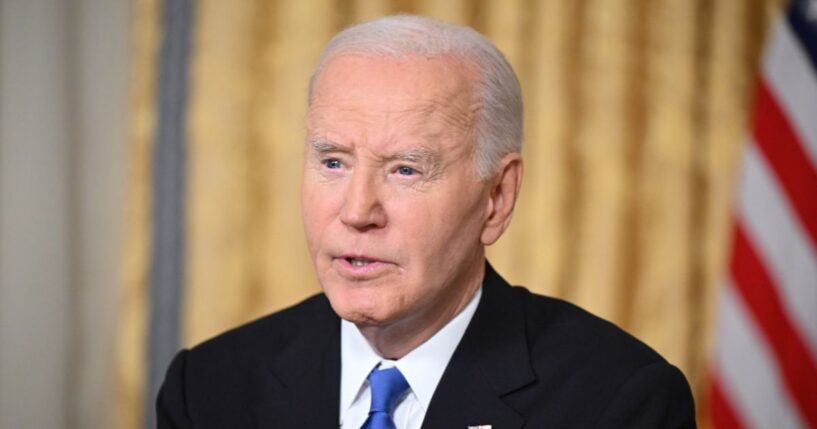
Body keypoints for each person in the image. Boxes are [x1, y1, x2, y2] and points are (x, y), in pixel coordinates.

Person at [157, 14, 696, 429]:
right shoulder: (207, 388)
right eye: (333, 162)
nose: (356, 211)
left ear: (497, 197)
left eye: (406, 169)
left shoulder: (618, 401)